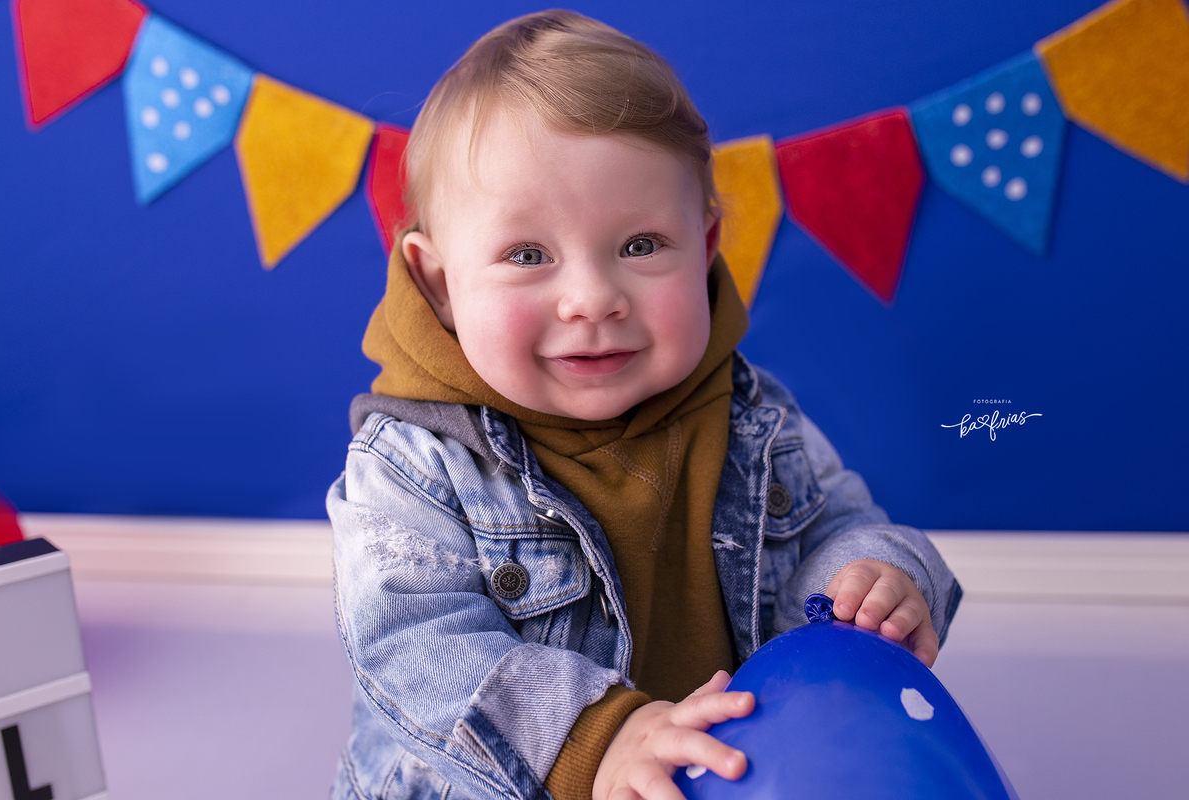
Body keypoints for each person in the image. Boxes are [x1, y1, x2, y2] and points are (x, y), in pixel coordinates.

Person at [327, 9, 961, 800]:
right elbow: (415, 646)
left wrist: (875, 576)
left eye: (640, 246)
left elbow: (840, 522)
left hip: (728, 771)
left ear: (707, 245)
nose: (593, 299)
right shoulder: (415, 464)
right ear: (438, 282)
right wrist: (601, 734)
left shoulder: (749, 415)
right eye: (528, 255)